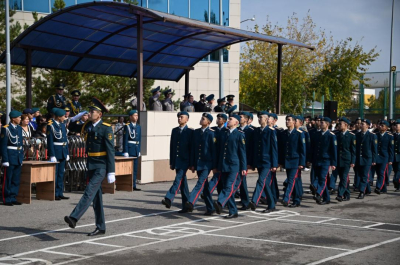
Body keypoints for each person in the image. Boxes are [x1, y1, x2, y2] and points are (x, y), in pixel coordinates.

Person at [64, 97, 115, 236]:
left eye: (93, 111)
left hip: (101, 165)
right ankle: (101, 227)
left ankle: (74, 217)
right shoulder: (87, 125)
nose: (90, 113)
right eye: (90, 110)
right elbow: (71, 127)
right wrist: (76, 118)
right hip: (90, 164)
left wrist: (111, 171)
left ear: (100, 114)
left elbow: (110, 150)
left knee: (89, 190)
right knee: (96, 198)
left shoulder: (105, 128)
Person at [213, 114, 247, 218]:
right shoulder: (223, 133)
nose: (228, 121)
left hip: (234, 166)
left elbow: (242, 153)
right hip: (224, 165)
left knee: (228, 186)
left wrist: (244, 167)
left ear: (236, 123)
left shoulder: (239, 134)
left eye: (231, 119)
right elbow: (219, 151)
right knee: (227, 188)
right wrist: (217, 166)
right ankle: (233, 211)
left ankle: (220, 202)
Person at [185, 113, 217, 215]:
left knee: (200, 183)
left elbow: (214, 151)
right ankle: (210, 208)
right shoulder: (196, 132)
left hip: (207, 164)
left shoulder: (212, 133)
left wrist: (214, 166)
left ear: (208, 122)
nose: (201, 120)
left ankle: (191, 201)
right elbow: (194, 149)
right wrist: (192, 163)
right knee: (205, 186)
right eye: (201, 118)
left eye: (203, 119)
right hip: (198, 163)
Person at [161, 111, 193, 212]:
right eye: (178, 117)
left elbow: (192, 149)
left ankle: (169, 198)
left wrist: (191, 163)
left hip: (185, 161)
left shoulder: (190, 132)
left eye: (181, 117)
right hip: (177, 160)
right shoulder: (174, 130)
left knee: (178, 179)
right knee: (183, 183)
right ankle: (187, 205)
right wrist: (172, 162)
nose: (179, 118)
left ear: (187, 119)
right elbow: (172, 147)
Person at [248, 111, 278, 213]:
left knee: (261, 181)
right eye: (258, 117)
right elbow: (254, 148)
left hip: (267, 162)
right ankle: (271, 204)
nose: (259, 119)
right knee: (265, 184)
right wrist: (252, 162)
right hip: (259, 161)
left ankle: (254, 201)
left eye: (261, 117)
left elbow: (274, 149)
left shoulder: (271, 131)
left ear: (266, 119)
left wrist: (274, 164)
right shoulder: (256, 131)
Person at [308, 117, 337, 205]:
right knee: (318, 177)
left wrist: (333, 163)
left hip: (326, 160)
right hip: (317, 159)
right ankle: (327, 198)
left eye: (323, 122)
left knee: (322, 178)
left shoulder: (331, 135)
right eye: (320, 122)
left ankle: (318, 193)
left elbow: (334, 150)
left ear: (327, 124)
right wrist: (310, 159)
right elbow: (313, 148)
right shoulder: (317, 134)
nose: (321, 123)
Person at [279, 114, 306, 207]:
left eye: (289, 120)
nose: (287, 122)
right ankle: (296, 199)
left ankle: (286, 198)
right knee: (294, 181)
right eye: (286, 120)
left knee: (291, 180)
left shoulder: (299, 133)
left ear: (294, 122)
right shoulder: (284, 133)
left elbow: (302, 150)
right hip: (287, 161)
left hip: (295, 161)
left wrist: (302, 163)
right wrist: (282, 162)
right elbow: (283, 149)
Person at [0, 110, 24, 206]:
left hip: (17, 156)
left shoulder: (19, 128)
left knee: (16, 179)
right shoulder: (6, 129)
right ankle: (6, 198)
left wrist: (21, 157)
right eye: (19, 117)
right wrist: (5, 160)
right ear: (13, 119)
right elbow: (3, 145)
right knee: (8, 179)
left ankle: (13, 196)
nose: (20, 119)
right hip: (10, 156)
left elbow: (20, 144)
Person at [47, 108, 70, 200]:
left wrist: (67, 152)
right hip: (56, 151)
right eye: (63, 116)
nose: (65, 117)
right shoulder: (51, 125)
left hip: (63, 151)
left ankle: (60, 192)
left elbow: (65, 140)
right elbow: (50, 141)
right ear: (58, 117)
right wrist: (52, 155)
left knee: (61, 173)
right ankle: (55, 193)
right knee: (55, 174)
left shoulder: (62, 124)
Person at [234, 111, 254, 210]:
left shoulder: (250, 131)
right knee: (240, 181)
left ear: (246, 119)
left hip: (244, 159)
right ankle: (244, 201)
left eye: (241, 117)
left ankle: (246, 202)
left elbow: (250, 148)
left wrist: (249, 162)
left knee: (241, 181)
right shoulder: (236, 130)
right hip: (236, 159)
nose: (239, 118)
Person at [333, 117, 356, 202]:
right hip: (338, 159)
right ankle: (347, 193)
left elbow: (353, 150)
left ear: (346, 125)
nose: (339, 125)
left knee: (343, 178)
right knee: (341, 177)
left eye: (341, 124)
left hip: (346, 159)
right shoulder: (337, 135)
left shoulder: (351, 136)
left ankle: (340, 194)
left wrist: (353, 161)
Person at [355, 119, 377, 199]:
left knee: (364, 175)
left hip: (367, 158)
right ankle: (368, 189)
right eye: (361, 124)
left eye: (363, 124)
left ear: (368, 126)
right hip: (359, 158)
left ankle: (361, 192)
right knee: (361, 175)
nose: (361, 125)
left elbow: (374, 149)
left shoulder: (372, 135)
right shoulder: (357, 135)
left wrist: (374, 160)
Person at [207, 113, 228, 195]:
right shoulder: (212, 129)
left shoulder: (226, 131)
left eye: (220, 118)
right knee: (217, 176)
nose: (217, 120)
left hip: (223, 157)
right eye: (217, 118)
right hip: (214, 156)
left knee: (221, 178)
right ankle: (220, 197)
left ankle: (209, 191)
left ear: (224, 121)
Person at [122, 110, 142, 191]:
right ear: (130, 117)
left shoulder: (138, 127)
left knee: (135, 168)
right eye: (134, 115)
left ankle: (133, 185)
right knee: (129, 168)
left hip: (136, 149)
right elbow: (125, 140)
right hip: (130, 149)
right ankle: (128, 185)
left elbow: (139, 139)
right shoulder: (127, 126)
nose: (136, 117)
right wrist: (125, 151)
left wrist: (139, 150)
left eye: (137, 115)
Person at [374, 120, 394, 195]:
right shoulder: (376, 135)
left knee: (382, 172)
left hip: (385, 157)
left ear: (386, 128)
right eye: (380, 125)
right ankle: (384, 188)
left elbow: (391, 149)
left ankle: (378, 187)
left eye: (382, 126)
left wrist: (391, 160)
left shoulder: (389, 136)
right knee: (379, 173)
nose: (380, 126)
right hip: (377, 156)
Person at [393, 119, 400, 191]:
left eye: (397, 125)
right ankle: (398, 185)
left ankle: (396, 180)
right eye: (395, 125)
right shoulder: (393, 135)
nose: (395, 127)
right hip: (394, 156)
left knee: (398, 170)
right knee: (395, 170)